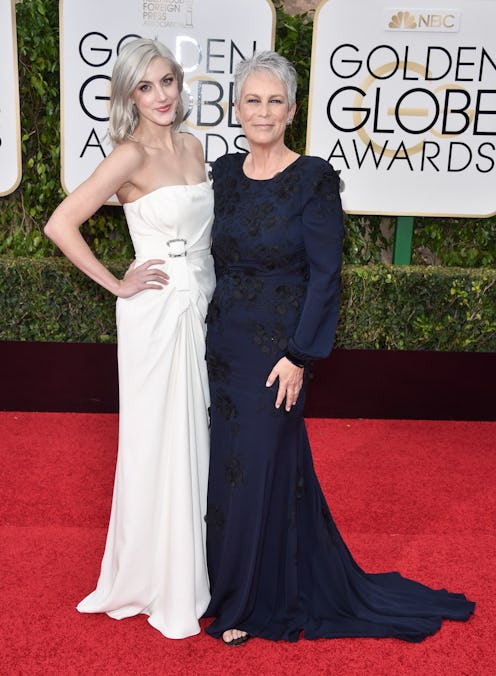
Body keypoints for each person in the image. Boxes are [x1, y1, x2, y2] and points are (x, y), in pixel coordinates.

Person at [203, 50, 475, 646]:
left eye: (276, 101)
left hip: (279, 354)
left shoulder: (313, 179)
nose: (264, 111)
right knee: (228, 468)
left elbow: (327, 276)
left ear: (293, 110)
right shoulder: (221, 173)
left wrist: (300, 355)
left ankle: (252, 603)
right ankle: (225, 583)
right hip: (221, 349)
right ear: (236, 108)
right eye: (253, 100)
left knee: (262, 468)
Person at [44, 38, 215, 639]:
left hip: (201, 310)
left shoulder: (195, 147)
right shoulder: (129, 156)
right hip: (155, 314)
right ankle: (151, 578)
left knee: (194, 441)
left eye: (167, 81)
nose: (161, 96)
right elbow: (60, 223)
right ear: (128, 97)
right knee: (155, 445)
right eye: (145, 87)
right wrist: (117, 283)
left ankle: (189, 572)